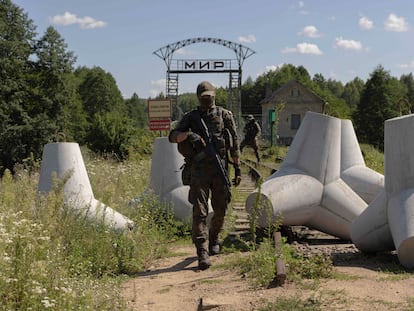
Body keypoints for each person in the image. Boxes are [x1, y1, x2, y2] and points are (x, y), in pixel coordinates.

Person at [168, 81, 241, 270]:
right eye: (204, 98)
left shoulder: (225, 115)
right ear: (199, 98)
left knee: (221, 208)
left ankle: (214, 238)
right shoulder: (191, 117)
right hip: (199, 172)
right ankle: (202, 250)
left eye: (210, 97)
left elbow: (234, 142)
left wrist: (238, 167)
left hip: (220, 170)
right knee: (199, 212)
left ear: (214, 96)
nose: (207, 101)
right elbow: (172, 136)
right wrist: (188, 135)